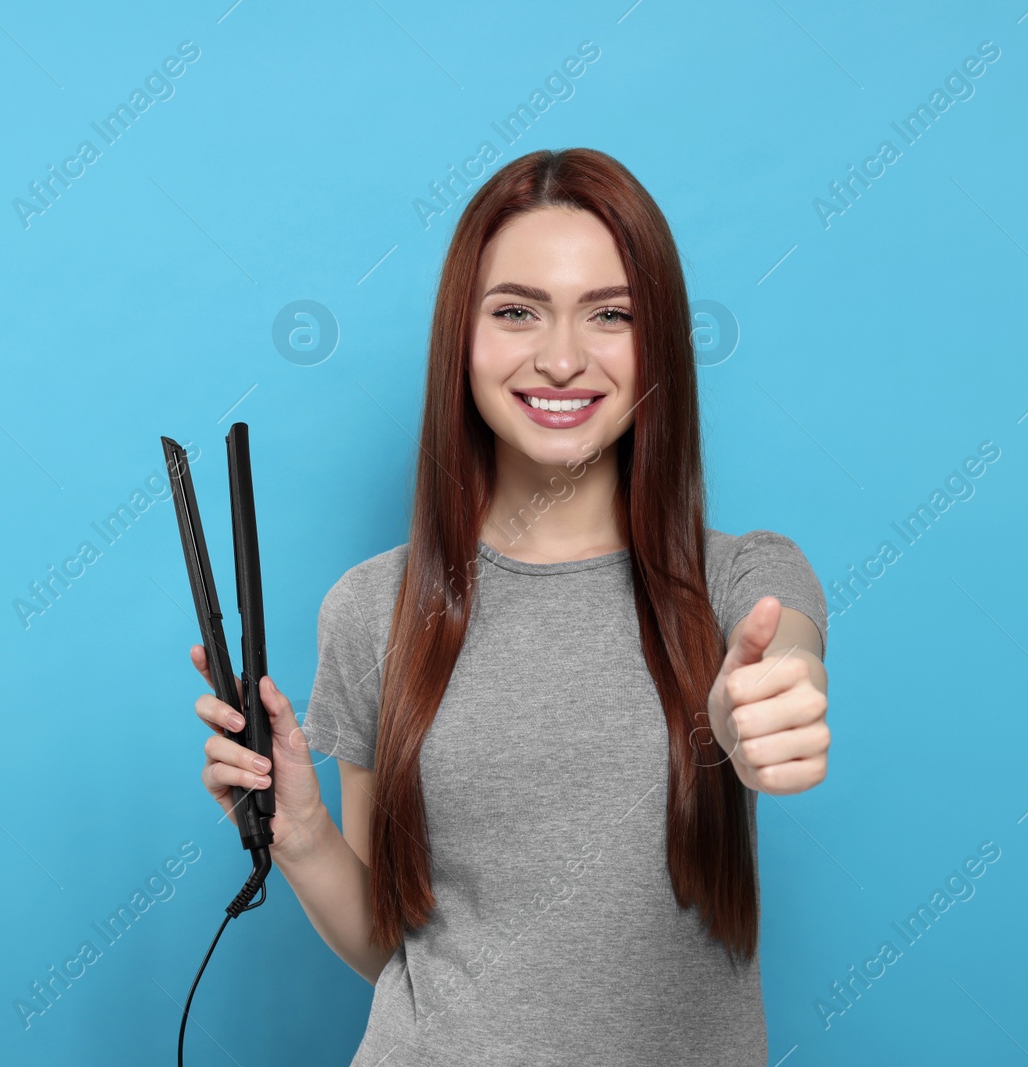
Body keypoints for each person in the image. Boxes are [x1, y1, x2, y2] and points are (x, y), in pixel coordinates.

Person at [190, 147, 830, 1065]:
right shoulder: (374, 608)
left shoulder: (741, 582)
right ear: (463, 334)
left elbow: (786, 656)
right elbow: (393, 948)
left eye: (611, 314)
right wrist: (297, 832)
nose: (562, 358)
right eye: (517, 311)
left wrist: (771, 703)